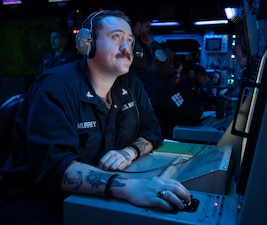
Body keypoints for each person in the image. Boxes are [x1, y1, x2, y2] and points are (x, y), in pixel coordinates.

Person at [0, 9, 191, 225]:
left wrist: (129, 152)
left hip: (95, 192)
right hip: (39, 200)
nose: (126, 47)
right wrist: (130, 187)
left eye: (130, 40)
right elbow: (58, 168)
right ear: (86, 43)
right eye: (116, 37)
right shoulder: (55, 88)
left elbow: (153, 130)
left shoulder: (130, 84)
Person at [136, 44, 203, 138]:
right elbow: (188, 114)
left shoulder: (133, 81)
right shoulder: (163, 86)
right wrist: (198, 109)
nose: (171, 67)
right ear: (157, 62)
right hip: (158, 140)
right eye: (170, 62)